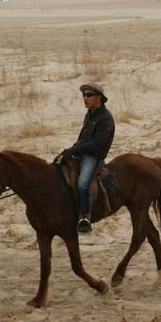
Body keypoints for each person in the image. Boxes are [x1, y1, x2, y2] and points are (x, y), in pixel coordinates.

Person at [61, 83, 115, 234]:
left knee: (83, 184)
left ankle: (85, 219)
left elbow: (96, 144)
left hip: (93, 157)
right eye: (84, 95)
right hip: (80, 153)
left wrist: (74, 149)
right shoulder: (89, 115)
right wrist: (70, 150)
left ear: (99, 98)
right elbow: (83, 139)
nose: (85, 98)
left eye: (89, 95)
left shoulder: (106, 119)